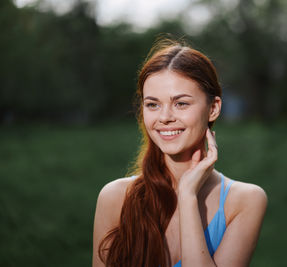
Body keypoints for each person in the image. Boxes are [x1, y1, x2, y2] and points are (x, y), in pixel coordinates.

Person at [92, 39, 267, 267]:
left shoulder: (245, 200)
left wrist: (187, 196)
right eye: (153, 104)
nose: (164, 117)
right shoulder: (115, 198)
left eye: (181, 104)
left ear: (213, 108)